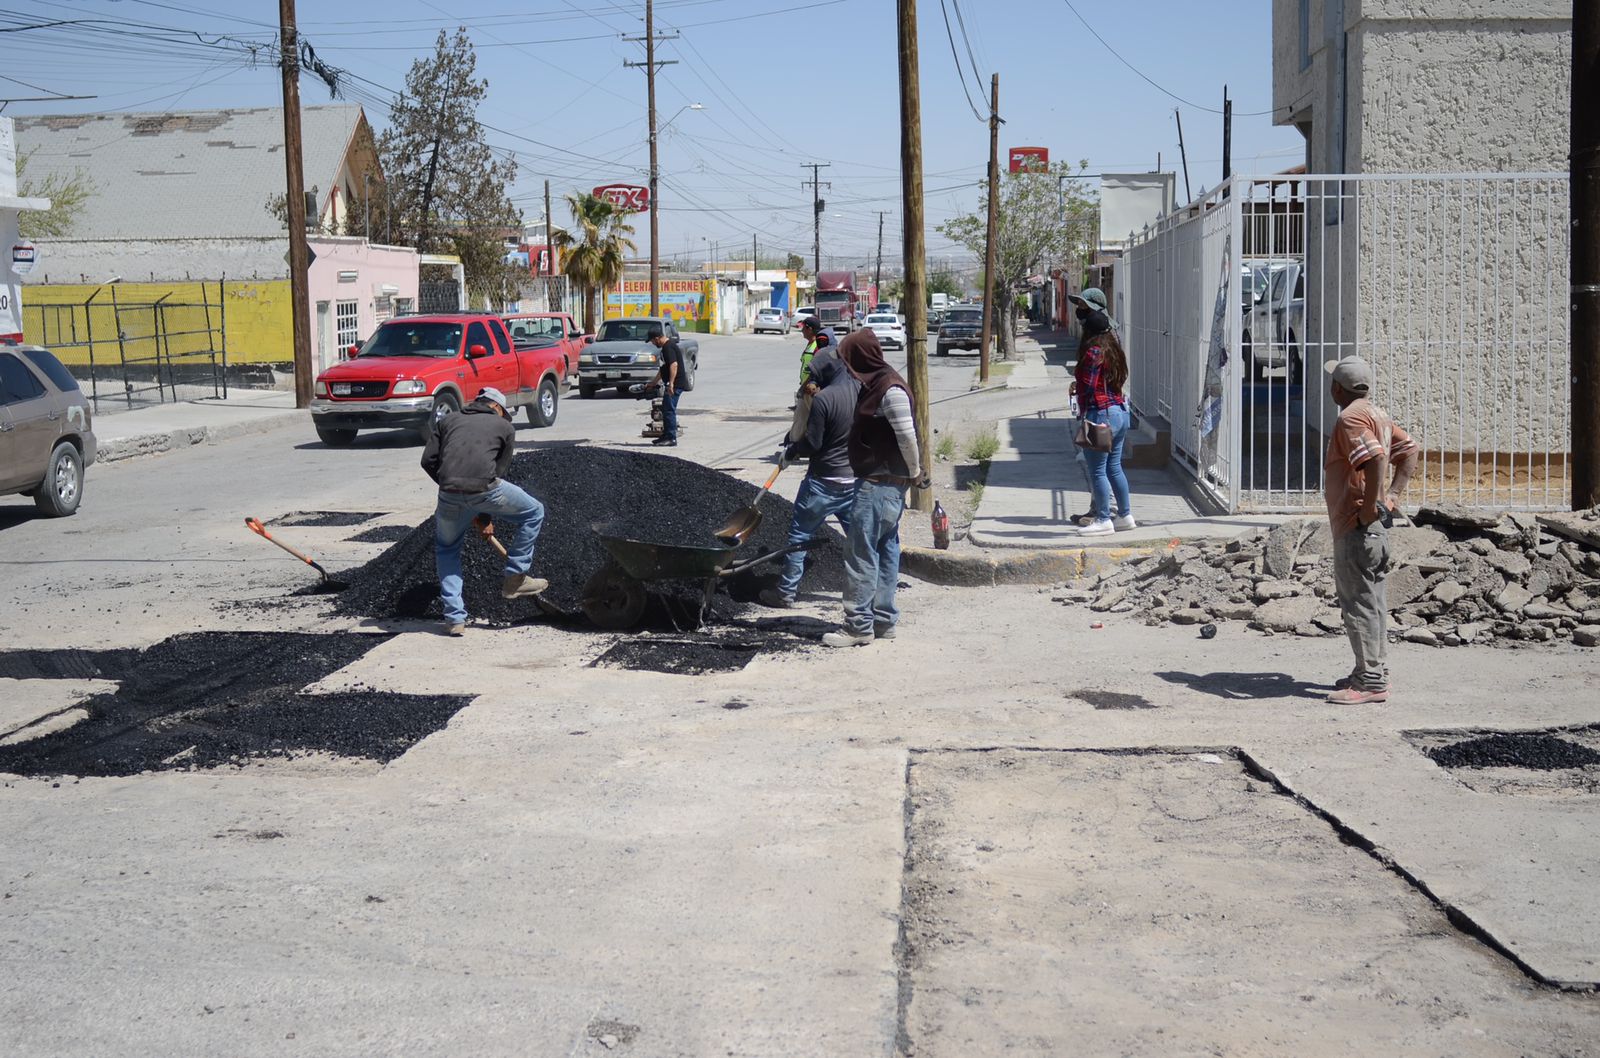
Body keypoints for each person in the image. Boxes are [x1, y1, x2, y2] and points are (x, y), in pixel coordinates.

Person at [1322, 356, 1419, 705]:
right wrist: (1389, 497)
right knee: (1373, 602)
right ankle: (1373, 671)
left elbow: (1377, 457)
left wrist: (1367, 507)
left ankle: (1370, 682)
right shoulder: (1377, 414)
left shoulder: (1350, 418)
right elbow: (1408, 449)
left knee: (1359, 603)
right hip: (1374, 527)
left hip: (1357, 526)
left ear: (1337, 389)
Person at [823, 329, 928, 648]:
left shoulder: (889, 390)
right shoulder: (876, 384)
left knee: (861, 553)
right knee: (885, 550)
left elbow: (907, 437)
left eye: (848, 360)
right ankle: (883, 621)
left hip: (879, 486)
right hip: (884, 486)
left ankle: (858, 626)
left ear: (860, 359)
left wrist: (914, 471)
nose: (847, 367)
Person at [420, 387, 547, 636]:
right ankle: (515, 577)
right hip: (486, 491)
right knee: (534, 511)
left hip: (449, 494)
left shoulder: (447, 420)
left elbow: (428, 461)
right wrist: (483, 510)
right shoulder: (505, 428)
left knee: (447, 550)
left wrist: (454, 488)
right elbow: (497, 473)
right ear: (497, 407)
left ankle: (455, 619)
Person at [760, 348, 860, 609]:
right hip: (852, 482)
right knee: (858, 539)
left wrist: (792, 450)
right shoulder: (860, 391)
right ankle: (865, 590)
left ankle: (785, 593)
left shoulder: (824, 400)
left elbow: (813, 443)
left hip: (822, 483)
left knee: (799, 537)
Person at [1069, 292, 1135, 536]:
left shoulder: (1093, 352)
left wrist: (1081, 402)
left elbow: (1088, 386)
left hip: (1101, 414)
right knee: (1114, 468)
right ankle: (1125, 515)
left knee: (1097, 470)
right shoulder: (1113, 348)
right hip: (1120, 412)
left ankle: (1104, 519)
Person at [645, 325, 684, 447]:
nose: (652, 343)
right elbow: (663, 369)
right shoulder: (665, 348)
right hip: (671, 383)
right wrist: (653, 383)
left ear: (657, 338)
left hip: (675, 384)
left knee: (669, 410)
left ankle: (671, 438)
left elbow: (674, 365)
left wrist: (671, 383)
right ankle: (666, 435)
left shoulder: (668, 347)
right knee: (666, 408)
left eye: (652, 341)